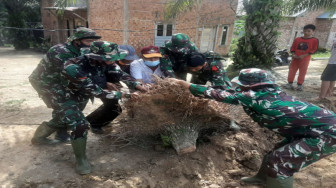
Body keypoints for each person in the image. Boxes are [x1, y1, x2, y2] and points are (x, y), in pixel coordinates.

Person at [171, 68, 336, 188]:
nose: (239, 88)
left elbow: (219, 95)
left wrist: (184, 84)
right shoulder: (269, 92)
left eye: (241, 85)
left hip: (327, 134)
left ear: (249, 86)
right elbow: (229, 91)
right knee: (276, 151)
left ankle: (275, 179)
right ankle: (263, 178)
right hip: (309, 130)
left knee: (281, 161)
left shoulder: (253, 97)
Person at [32, 41, 142, 174]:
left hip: (80, 93)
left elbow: (120, 74)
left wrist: (137, 85)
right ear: (97, 57)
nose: (114, 61)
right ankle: (81, 160)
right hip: (61, 94)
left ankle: (38, 138)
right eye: (110, 59)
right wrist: (126, 94)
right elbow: (96, 91)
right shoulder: (73, 67)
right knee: (79, 123)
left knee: (63, 118)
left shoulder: (106, 62)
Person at [29, 27, 101, 142]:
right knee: (66, 106)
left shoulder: (83, 50)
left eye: (92, 41)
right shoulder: (60, 51)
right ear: (77, 40)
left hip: (63, 80)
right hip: (46, 82)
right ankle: (39, 138)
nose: (90, 44)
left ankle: (61, 132)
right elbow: (71, 75)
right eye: (88, 41)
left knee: (78, 103)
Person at [87, 44, 141, 134]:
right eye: (126, 59)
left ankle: (89, 119)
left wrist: (137, 85)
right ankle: (96, 124)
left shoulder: (118, 64)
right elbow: (93, 80)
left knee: (110, 105)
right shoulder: (98, 62)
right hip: (99, 86)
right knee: (115, 109)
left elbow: (122, 75)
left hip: (110, 85)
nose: (128, 61)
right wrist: (106, 84)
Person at [284, 24, 319, 91]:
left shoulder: (314, 40)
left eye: (309, 31)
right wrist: (293, 54)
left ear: (313, 32)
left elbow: (314, 49)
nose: (306, 32)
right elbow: (293, 48)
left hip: (305, 59)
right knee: (292, 70)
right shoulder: (298, 39)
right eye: (305, 31)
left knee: (302, 72)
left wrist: (304, 55)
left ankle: (299, 85)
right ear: (303, 31)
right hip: (295, 58)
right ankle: (290, 84)